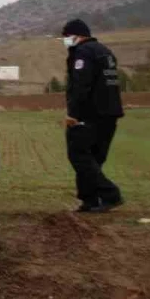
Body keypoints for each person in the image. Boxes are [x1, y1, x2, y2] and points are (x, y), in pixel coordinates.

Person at [61, 19, 124, 212]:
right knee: (94, 159)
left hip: (89, 114)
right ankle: (90, 200)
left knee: (78, 155)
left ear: (76, 35)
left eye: (66, 37)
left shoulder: (83, 52)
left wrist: (73, 114)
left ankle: (110, 194)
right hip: (110, 113)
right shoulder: (105, 52)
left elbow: (81, 85)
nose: (65, 41)